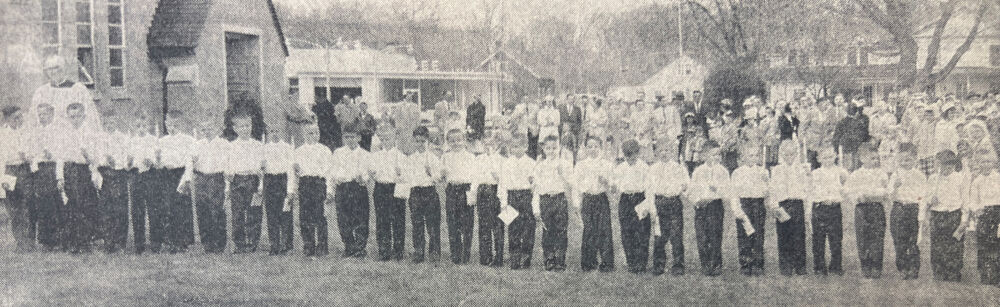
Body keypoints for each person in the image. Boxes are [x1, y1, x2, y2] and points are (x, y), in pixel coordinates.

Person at [53, 102, 103, 253]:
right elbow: (60, 157)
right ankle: (72, 242)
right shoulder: (65, 134)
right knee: (70, 205)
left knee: (85, 205)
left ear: (84, 116)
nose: (74, 120)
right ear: (68, 118)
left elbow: (95, 157)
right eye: (71, 117)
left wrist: (93, 171)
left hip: (83, 170)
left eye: (77, 116)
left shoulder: (90, 134)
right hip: (69, 170)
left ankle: (85, 241)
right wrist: (60, 177)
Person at [845, 143, 891, 279]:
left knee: (877, 237)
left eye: (877, 158)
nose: (876, 161)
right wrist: (857, 198)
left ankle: (877, 266)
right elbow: (848, 191)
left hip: (877, 208)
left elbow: (886, 191)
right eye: (872, 158)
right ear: (862, 159)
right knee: (863, 237)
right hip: (862, 209)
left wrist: (877, 195)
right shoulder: (856, 174)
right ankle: (866, 265)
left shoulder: (881, 174)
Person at [224, 108, 266, 254]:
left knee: (254, 211)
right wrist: (228, 186)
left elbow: (262, 168)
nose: (245, 129)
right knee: (237, 213)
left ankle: (253, 242)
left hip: (253, 180)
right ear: (235, 128)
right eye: (241, 126)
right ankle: (239, 243)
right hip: (237, 180)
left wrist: (260, 185)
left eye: (248, 125)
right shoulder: (231, 146)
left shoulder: (258, 145)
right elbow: (228, 166)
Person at [399, 126, 443, 263]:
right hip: (415, 193)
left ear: (428, 141)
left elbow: (439, 178)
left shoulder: (433, 158)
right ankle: (418, 251)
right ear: (413, 141)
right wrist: (401, 175)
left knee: (432, 224)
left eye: (422, 141)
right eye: (417, 141)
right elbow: (406, 177)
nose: (419, 144)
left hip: (429, 191)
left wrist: (432, 173)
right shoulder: (410, 158)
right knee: (417, 224)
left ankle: (434, 252)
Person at [184, 131, 232, 253]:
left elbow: (228, 163)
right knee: (202, 210)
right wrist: (189, 178)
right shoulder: (197, 144)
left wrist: (227, 182)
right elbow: (190, 162)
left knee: (217, 210)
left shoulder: (224, 144)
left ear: (216, 127)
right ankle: (207, 244)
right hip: (200, 178)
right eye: (204, 127)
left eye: (210, 126)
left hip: (216, 178)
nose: (207, 130)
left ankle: (219, 244)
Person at [647, 137, 689, 276]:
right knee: (659, 236)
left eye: (667, 150)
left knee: (676, 235)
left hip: (674, 202)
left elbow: (686, 185)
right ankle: (658, 265)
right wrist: (652, 208)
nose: (664, 153)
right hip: (659, 203)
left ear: (672, 151)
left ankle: (678, 265)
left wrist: (684, 187)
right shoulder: (652, 169)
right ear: (656, 153)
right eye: (661, 150)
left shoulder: (678, 168)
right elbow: (649, 190)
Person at [573, 135, 615, 272]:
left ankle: (607, 263)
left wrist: (606, 182)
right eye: (589, 146)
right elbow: (576, 185)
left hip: (601, 198)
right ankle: (588, 262)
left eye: (595, 146)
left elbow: (613, 187)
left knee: (604, 230)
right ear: (585, 148)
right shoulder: (581, 165)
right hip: (587, 199)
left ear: (600, 148)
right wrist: (576, 203)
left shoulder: (606, 164)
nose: (593, 149)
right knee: (589, 230)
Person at [926, 150, 969, 282]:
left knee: (954, 245)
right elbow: (924, 196)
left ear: (954, 165)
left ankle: (953, 273)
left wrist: (964, 220)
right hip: (937, 215)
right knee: (937, 244)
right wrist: (929, 200)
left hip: (954, 215)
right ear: (938, 165)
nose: (945, 169)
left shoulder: (960, 178)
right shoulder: (933, 178)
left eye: (949, 166)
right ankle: (939, 272)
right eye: (943, 165)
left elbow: (965, 201)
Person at [686, 142, 729, 276]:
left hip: (715, 206)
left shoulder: (722, 171)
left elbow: (728, 190)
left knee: (715, 234)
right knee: (702, 236)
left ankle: (716, 264)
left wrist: (718, 189)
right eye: (713, 154)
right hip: (701, 207)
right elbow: (692, 190)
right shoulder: (698, 172)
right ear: (704, 155)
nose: (717, 157)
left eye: (719, 154)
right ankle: (705, 263)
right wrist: (696, 202)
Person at [769, 140, 810, 276]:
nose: (789, 158)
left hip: (797, 203)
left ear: (796, 154)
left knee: (798, 235)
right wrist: (775, 206)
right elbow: (772, 190)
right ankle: (785, 265)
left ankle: (800, 265)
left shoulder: (801, 170)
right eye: (786, 155)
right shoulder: (776, 170)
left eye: (792, 154)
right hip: (783, 204)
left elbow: (806, 189)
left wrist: (806, 205)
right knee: (783, 235)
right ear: (781, 154)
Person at [533, 135, 574, 272]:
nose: (551, 151)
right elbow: (537, 188)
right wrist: (536, 208)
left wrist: (562, 174)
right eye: (548, 148)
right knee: (547, 230)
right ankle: (549, 259)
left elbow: (571, 182)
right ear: (543, 149)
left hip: (559, 198)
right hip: (545, 199)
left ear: (559, 148)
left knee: (561, 230)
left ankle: (560, 260)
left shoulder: (565, 164)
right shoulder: (540, 166)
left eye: (554, 148)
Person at [292, 123, 334, 257]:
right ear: (304, 135)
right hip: (305, 183)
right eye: (310, 133)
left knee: (320, 216)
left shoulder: (325, 150)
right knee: (305, 216)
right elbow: (294, 172)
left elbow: (329, 172)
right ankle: (308, 245)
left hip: (319, 183)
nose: (314, 135)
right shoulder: (298, 151)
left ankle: (322, 246)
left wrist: (329, 190)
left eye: (316, 132)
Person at [331, 125, 372, 258]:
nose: (350, 140)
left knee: (360, 218)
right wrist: (336, 178)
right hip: (343, 187)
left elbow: (368, 173)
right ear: (343, 138)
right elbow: (333, 170)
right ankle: (349, 246)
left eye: (353, 137)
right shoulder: (338, 153)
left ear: (359, 138)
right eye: (347, 137)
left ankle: (360, 247)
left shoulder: (365, 154)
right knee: (343, 218)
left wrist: (363, 178)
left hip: (358, 187)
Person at [728, 147, 769, 276]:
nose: (753, 158)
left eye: (755, 155)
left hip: (758, 203)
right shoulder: (737, 173)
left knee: (758, 233)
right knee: (744, 233)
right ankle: (745, 263)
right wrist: (737, 209)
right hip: (744, 204)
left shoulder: (763, 172)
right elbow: (733, 193)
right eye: (750, 155)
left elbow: (767, 191)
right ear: (743, 158)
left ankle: (758, 263)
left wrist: (765, 182)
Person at [95, 128, 136, 253]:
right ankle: (108, 243)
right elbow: (96, 158)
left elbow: (128, 158)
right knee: (106, 210)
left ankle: (120, 243)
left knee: (120, 209)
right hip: (105, 174)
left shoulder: (123, 138)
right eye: (106, 123)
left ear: (115, 121)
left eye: (111, 121)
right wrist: (104, 161)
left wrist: (119, 162)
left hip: (119, 174)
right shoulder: (100, 138)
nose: (109, 124)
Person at [810, 147, 849, 276]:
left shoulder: (840, 172)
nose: (828, 160)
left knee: (836, 238)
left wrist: (843, 188)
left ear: (836, 156)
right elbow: (811, 191)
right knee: (818, 239)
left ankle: (836, 265)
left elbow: (847, 186)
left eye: (831, 157)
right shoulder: (815, 173)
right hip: (820, 207)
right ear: (819, 159)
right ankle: (819, 266)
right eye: (824, 157)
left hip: (834, 208)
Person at [890, 143, 926, 280]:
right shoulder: (896, 175)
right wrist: (895, 186)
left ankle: (914, 268)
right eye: (902, 160)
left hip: (913, 208)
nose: (905, 163)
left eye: (909, 159)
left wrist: (921, 214)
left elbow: (922, 196)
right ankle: (903, 268)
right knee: (900, 241)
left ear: (915, 159)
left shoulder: (920, 175)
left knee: (914, 241)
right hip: (899, 208)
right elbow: (890, 196)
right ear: (898, 160)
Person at [614, 140, 650, 274]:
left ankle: (641, 263)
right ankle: (631, 261)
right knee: (626, 231)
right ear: (623, 155)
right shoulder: (620, 168)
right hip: (625, 200)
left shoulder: (644, 167)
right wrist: (612, 185)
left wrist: (646, 206)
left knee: (642, 231)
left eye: (633, 156)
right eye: (627, 156)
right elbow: (616, 184)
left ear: (638, 153)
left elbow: (649, 188)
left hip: (640, 199)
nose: (630, 159)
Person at [501, 133, 536, 269]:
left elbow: (535, 184)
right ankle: (514, 258)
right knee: (513, 228)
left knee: (528, 228)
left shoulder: (532, 164)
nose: (516, 150)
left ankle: (526, 258)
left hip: (526, 196)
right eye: (513, 147)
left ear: (526, 147)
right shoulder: (506, 163)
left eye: (519, 146)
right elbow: (503, 185)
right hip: (512, 196)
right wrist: (504, 203)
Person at [1, 106, 34, 252]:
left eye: (21, 117)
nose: (19, 120)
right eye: (16, 118)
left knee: (27, 205)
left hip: (24, 169)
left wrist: (28, 158)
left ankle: (30, 240)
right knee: (13, 208)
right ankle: (20, 241)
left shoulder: (26, 132)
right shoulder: (2, 135)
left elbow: (33, 151)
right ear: (7, 119)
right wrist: (2, 178)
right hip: (10, 170)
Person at [371, 130, 407, 261]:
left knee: (398, 220)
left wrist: (400, 174)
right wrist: (373, 173)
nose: (386, 141)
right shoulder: (376, 156)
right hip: (381, 188)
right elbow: (372, 172)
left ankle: (398, 251)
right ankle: (384, 250)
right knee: (382, 220)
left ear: (395, 138)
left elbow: (406, 176)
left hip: (395, 188)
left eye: (389, 138)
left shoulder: (401, 156)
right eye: (383, 139)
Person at [969, 150, 1000, 286]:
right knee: (984, 245)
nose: (986, 164)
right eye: (983, 162)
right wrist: (977, 210)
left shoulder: (998, 178)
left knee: (997, 244)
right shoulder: (977, 181)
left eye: (988, 161)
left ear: (994, 163)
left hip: (998, 213)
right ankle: (986, 275)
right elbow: (972, 200)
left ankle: (997, 276)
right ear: (978, 164)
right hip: (984, 215)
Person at [473, 136, 504, 267]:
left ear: (497, 145)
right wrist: (473, 194)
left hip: (496, 190)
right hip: (482, 191)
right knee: (484, 224)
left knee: (498, 225)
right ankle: (485, 256)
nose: (489, 147)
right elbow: (474, 177)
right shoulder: (478, 159)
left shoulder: (502, 160)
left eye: (492, 144)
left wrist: (498, 178)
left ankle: (499, 256)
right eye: (486, 144)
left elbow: (505, 180)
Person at [262, 134, 296, 255]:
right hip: (269, 181)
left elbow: (291, 170)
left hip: (283, 180)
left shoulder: (287, 147)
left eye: (277, 130)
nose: (274, 133)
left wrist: (290, 190)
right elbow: (261, 170)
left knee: (285, 214)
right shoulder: (264, 148)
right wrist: (261, 186)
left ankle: (286, 245)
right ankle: (274, 245)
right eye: (272, 131)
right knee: (271, 215)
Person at [833, 104, 871, 171]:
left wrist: (837, 151)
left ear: (846, 112)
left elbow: (836, 138)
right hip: (857, 149)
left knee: (847, 169)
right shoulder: (860, 123)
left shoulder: (841, 122)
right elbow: (865, 136)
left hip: (846, 149)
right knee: (857, 169)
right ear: (857, 112)